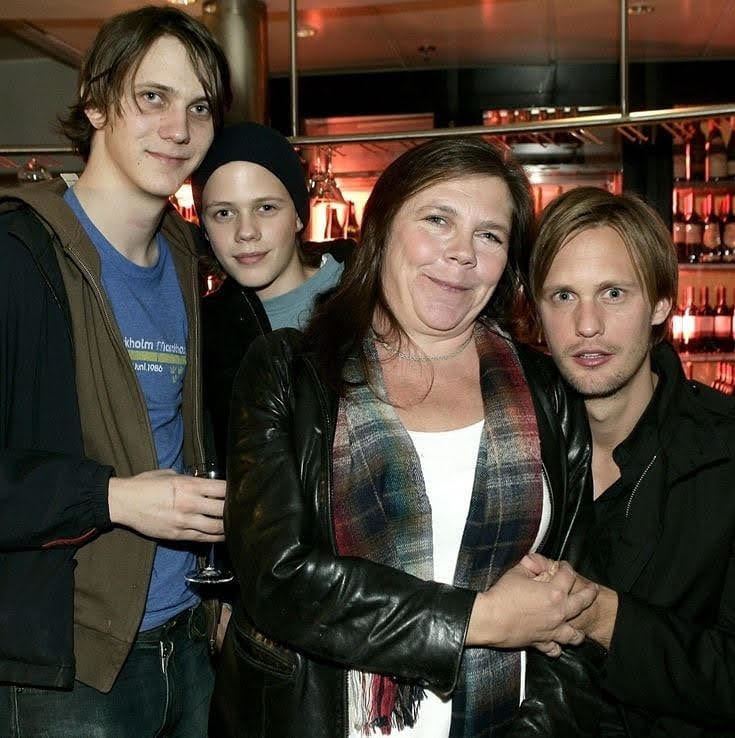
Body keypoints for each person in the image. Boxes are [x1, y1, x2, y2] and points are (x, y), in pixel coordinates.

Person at [209, 136, 598, 738]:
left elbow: (573, 613)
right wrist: (479, 619)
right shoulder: (288, 372)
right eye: (437, 219)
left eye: (489, 235)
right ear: (384, 226)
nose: (463, 254)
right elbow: (277, 581)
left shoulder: (547, 391)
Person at [0, 6, 232, 736]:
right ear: (96, 101)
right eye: (153, 98)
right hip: (71, 667)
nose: (178, 129)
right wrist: (109, 499)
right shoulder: (18, 256)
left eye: (198, 107)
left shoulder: (186, 256)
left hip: (188, 641)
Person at [515, 187, 735, 737]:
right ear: (538, 311)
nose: (587, 325)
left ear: (661, 303)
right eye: (563, 296)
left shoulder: (724, 455)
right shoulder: (513, 450)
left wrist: (602, 617)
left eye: (613, 293)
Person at [191, 121, 347, 466]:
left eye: (266, 208)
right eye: (224, 213)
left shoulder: (364, 294)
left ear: (298, 216)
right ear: (204, 227)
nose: (245, 231)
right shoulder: (204, 333)